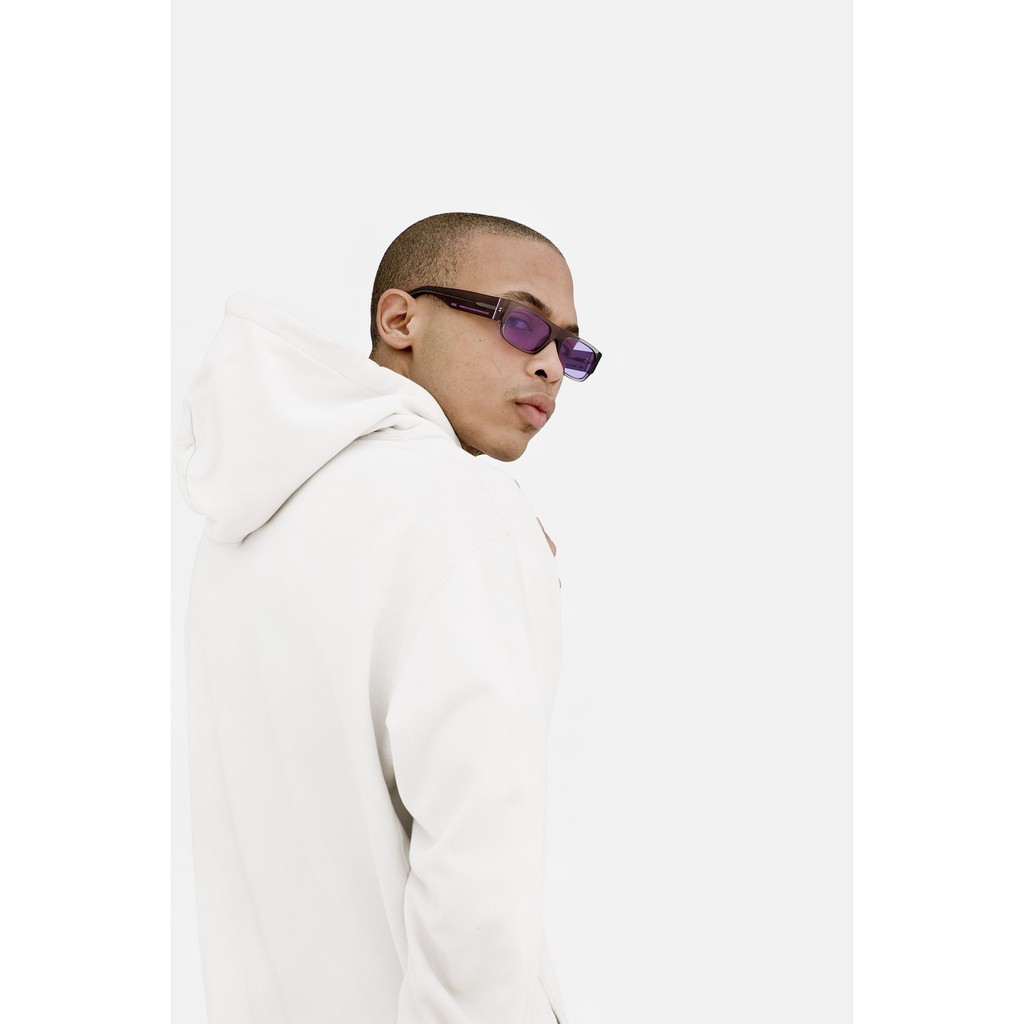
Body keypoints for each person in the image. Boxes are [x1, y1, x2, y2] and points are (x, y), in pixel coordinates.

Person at [175, 212, 601, 1024]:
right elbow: (478, 859)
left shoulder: (242, 528)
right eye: (521, 322)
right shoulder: (464, 507)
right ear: (401, 318)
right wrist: (497, 542)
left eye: (570, 350)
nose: (549, 364)